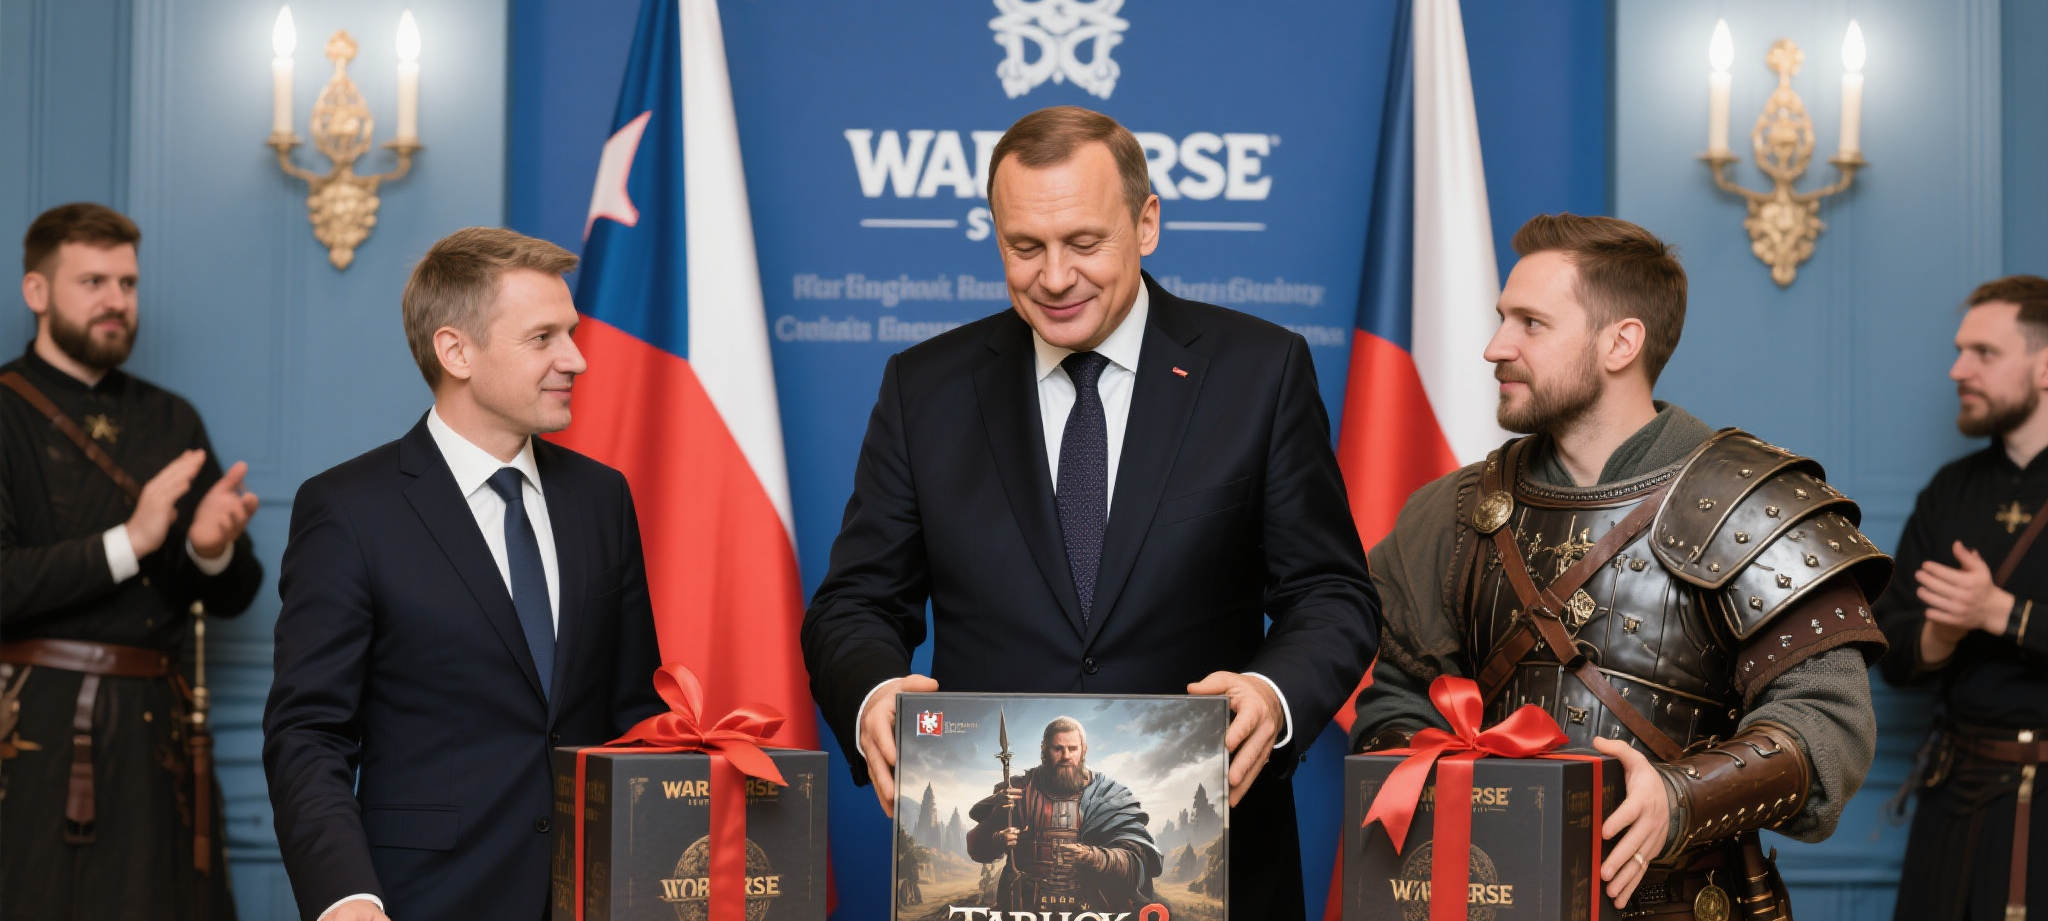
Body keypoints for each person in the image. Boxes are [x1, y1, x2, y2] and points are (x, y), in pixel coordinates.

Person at [801, 105, 1380, 918]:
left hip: (1213, 880)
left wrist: (1271, 693)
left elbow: (1332, 592)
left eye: (1083, 242)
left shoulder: (1260, 371)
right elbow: (854, 603)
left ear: (1146, 223)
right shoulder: (924, 388)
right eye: (1025, 247)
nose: (1054, 277)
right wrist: (873, 698)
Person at [1350, 214, 1890, 917]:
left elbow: (1829, 721)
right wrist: (1453, 784)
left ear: (1621, 342)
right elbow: (1396, 692)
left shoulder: (1756, 503)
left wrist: (1680, 796)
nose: (1495, 347)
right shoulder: (1452, 513)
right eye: (1501, 319)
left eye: (1530, 323)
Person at [262, 227, 663, 921]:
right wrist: (345, 897)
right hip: (421, 901)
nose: (576, 359)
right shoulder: (349, 509)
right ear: (456, 352)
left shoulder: (602, 498)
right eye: (543, 338)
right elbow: (309, 733)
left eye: (570, 333)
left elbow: (634, 715)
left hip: (593, 899)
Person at [1, 202, 263, 921]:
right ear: (37, 292)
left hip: (159, 741)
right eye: (93, 282)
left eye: (127, 283)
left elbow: (239, 592)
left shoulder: (172, 417)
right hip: (30, 739)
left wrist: (210, 550)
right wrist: (133, 540)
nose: (116, 300)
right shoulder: (4, 410)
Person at [1878, 275, 2048, 921]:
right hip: (1954, 794)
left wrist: (2001, 613)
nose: (1957, 370)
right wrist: (1941, 634)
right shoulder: (1950, 489)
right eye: (1959, 351)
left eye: (1984, 353)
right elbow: (1891, 645)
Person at [966, 716, 1163, 912]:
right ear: (1044, 750)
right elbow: (976, 849)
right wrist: (998, 838)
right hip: (1025, 908)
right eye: (1058, 749)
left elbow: (1137, 860)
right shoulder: (1019, 791)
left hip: (1089, 910)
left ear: (1084, 751)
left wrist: (1094, 857)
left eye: (1073, 748)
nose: (1066, 756)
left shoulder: (1108, 796)